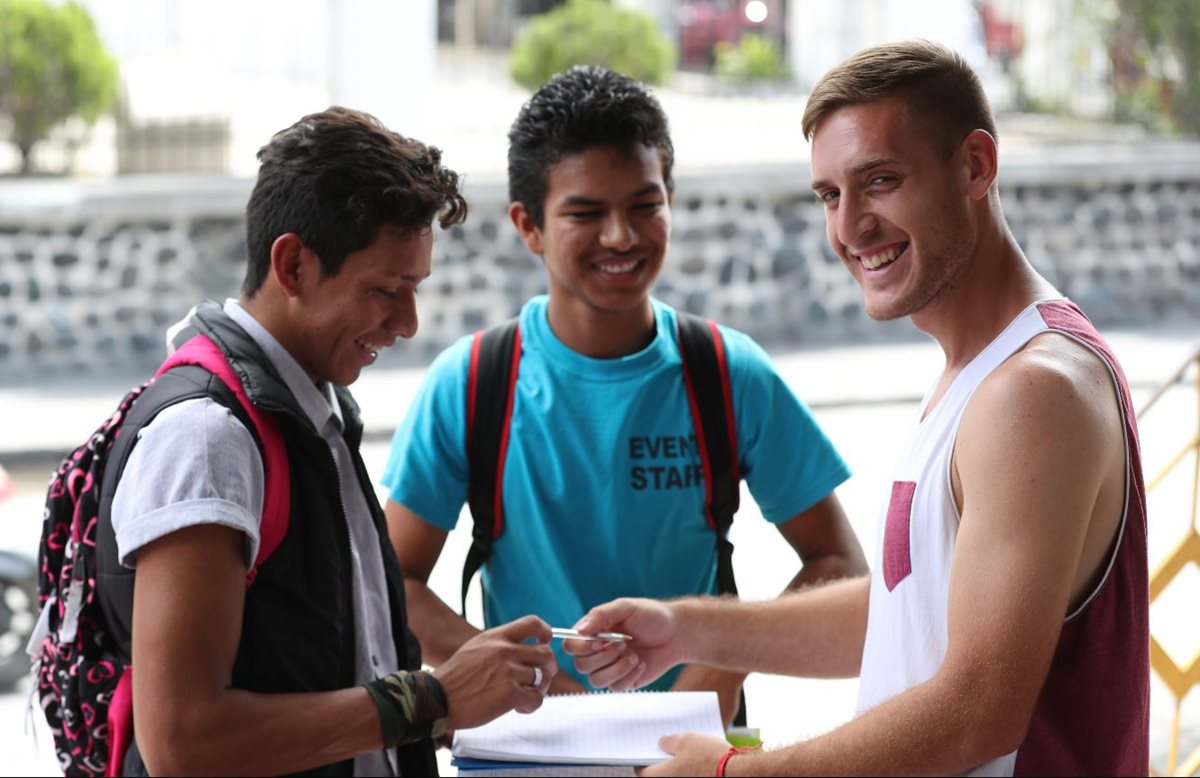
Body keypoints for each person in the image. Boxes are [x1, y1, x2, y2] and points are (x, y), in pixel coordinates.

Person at [566, 40, 1149, 776]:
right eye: (830, 195)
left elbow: (978, 714)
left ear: (975, 165)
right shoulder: (982, 369)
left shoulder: (1030, 390)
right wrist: (688, 629)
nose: (849, 227)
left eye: (880, 181)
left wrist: (729, 772)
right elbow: (913, 612)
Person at [379, 65, 867, 725]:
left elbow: (839, 562)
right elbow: (394, 584)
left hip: (690, 747)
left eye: (644, 205)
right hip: (528, 747)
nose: (621, 236)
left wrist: (719, 664)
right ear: (529, 225)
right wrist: (511, 678)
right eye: (586, 212)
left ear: (670, 198)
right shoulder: (470, 383)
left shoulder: (726, 371)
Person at [98, 107, 558, 776]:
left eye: (415, 288)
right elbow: (183, 741)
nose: (407, 322)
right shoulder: (208, 438)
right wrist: (432, 697)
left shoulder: (310, 406)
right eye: (386, 289)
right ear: (293, 265)